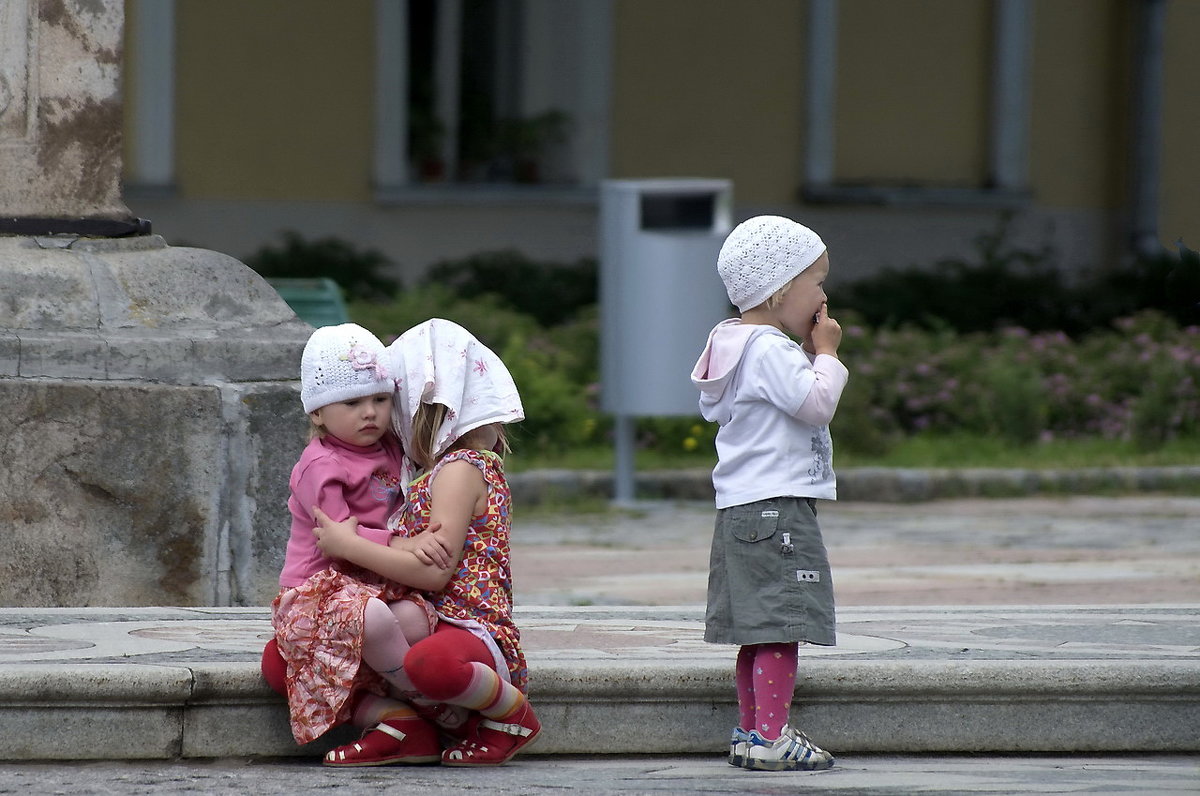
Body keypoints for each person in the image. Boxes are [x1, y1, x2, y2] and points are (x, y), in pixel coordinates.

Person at [313, 318, 538, 768]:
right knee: (292, 657)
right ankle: (403, 727)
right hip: (426, 617)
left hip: (468, 629)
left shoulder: (460, 469)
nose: (384, 420)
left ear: (424, 410)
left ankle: (511, 716)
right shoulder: (434, 469)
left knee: (429, 666)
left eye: (392, 404)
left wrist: (349, 543)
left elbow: (435, 570)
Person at [690, 215, 847, 772]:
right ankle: (774, 737)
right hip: (779, 507)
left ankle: (752, 733)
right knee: (783, 624)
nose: (824, 294)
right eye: (817, 280)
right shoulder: (770, 349)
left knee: (756, 629)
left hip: (740, 508)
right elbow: (816, 404)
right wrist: (825, 353)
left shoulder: (731, 343)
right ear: (781, 289)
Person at [270, 322, 456, 764]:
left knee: (414, 618)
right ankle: (425, 702)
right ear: (317, 413)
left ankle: (395, 711)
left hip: (374, 583)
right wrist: (403, 543)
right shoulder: (321, 465)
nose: (369, 413)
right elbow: (337, 539)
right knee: (371, 620)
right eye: (352, 403)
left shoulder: (390, 448)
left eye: (379, 399)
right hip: (317, 592)